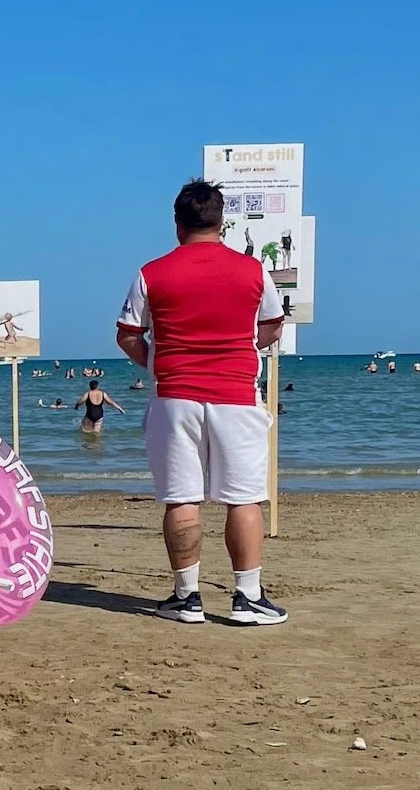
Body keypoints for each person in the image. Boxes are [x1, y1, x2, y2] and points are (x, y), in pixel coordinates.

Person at [116, 179, 287, 627]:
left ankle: (186, 597)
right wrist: (243, 345)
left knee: (181, 497)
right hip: (236, 394)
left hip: (174, 395)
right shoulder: (252, 270)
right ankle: (247, 597)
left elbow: (128, 335)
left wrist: (155, 361)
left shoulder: (152, 273)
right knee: (244, 497)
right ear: (221, 222)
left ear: (178, 224)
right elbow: (272, 326)